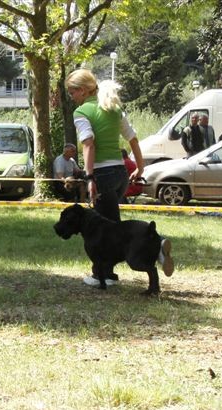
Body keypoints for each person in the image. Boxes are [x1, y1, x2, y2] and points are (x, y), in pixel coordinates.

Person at [65, 68, 173, 285]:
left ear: (84, 90)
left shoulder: (82, 112)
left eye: (72, 92)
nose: (71, 97)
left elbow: (88, 143)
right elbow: (133, 139)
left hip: (102, 174)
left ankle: (105, 274)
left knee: (104, 230)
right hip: (120, 174)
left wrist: (89, 178)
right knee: (112, 226)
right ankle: (153, 246)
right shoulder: (113, 108)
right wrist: (140, 167)